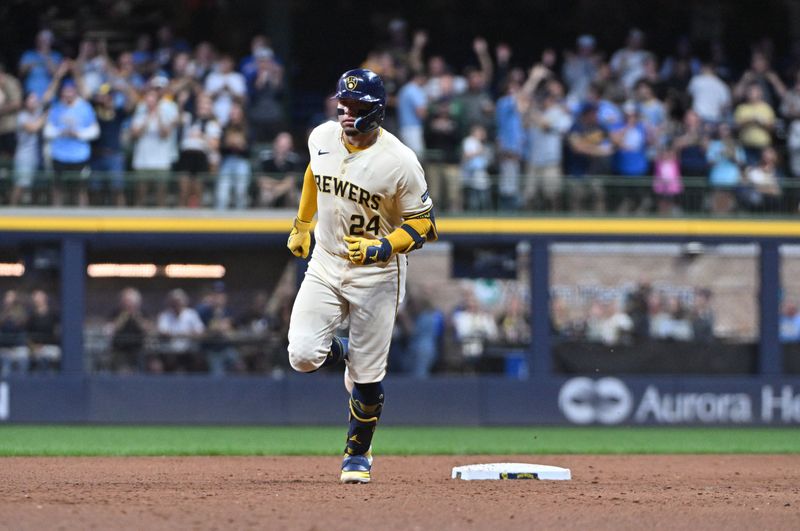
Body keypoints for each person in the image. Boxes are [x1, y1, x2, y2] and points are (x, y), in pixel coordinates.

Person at [286, 68, 438, 483]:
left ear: (376, 111)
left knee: (367, 378)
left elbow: (425, 224)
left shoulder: (400, 161)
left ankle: (358, 453)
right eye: (343, 104)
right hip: (327, 261)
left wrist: (383, 246)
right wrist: (302, 223)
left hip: (377, 273)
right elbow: (314, 175)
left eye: (356, 107)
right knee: (301, 354)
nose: (346, 113)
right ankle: (346, 350)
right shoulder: (321, 137)